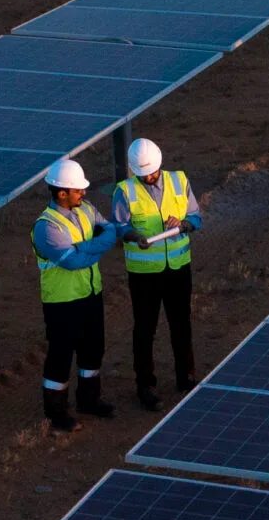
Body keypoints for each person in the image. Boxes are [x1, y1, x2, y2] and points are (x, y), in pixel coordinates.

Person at [110, 137, 200, 411]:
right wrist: (134, 235)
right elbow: (120, 226)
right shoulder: (124, 191)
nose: (148, 176)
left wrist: (183, 224)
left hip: (177, 269)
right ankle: (145, 386)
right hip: (144, 275)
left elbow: (196, 218)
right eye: (142, 173)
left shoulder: (179, 181)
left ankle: (186, 377)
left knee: (181, 325)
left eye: (151, 171)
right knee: (144, 330)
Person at [30, 157, 116, 432]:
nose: (84, 193)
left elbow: (111, 231)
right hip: (62, 303)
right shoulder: (46, 227)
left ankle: (88, 400)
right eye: (78, 190)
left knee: (93, 349)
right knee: (61, 356)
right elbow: (72, 262)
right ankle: (56, 413)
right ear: (62, 192)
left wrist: (87, 248)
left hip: (90, 294)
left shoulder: (85, 209)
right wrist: (97, 247)